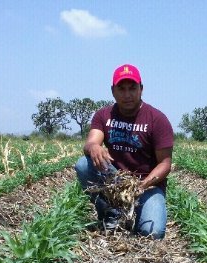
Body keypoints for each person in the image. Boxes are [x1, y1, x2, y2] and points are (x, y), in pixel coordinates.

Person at [74, 64, 174, 239]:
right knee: (84, 164)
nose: (127, 94)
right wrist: (94, 147)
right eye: (121, 89)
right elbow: (90, 142)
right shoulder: (103, 115)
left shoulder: (157, 119)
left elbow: (165, 164)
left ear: (141, 89)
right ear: (113, 91)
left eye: (132, 88)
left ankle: (137, 211)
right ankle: (111, 212)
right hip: (114, 181)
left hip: (147, 186)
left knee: (152, 233)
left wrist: (140, 187)